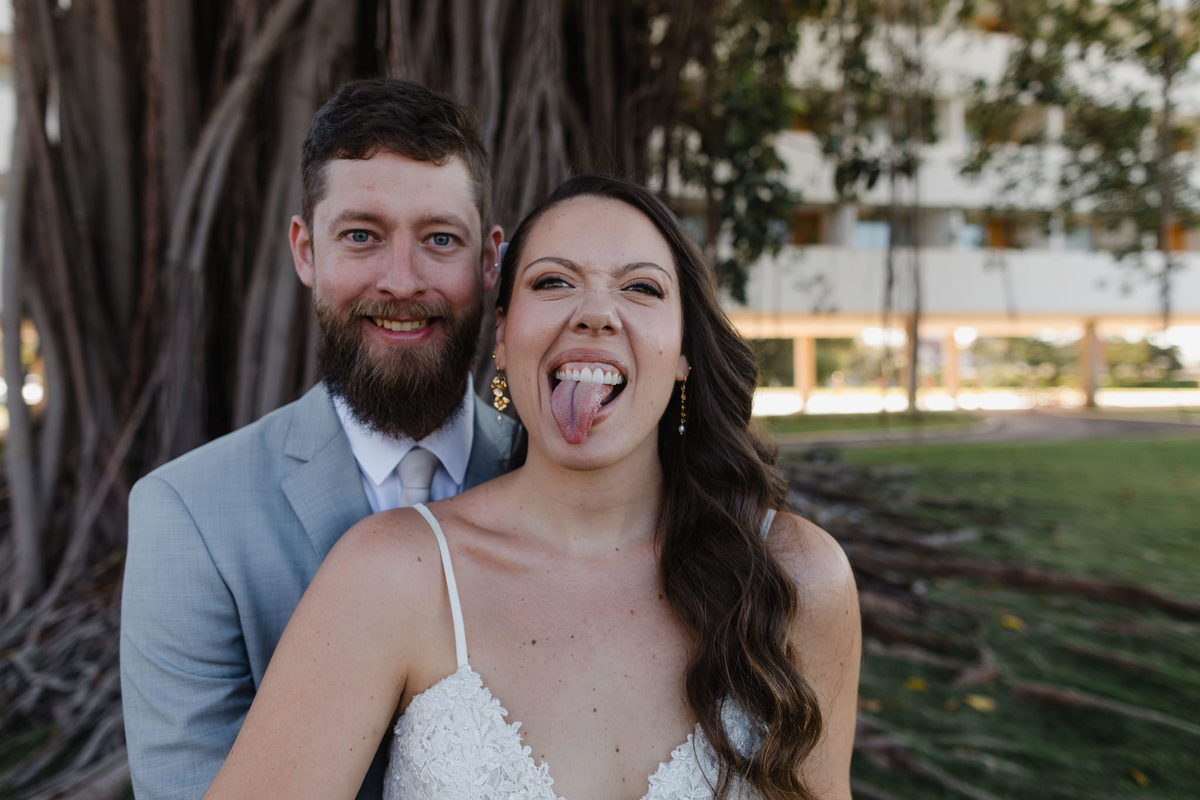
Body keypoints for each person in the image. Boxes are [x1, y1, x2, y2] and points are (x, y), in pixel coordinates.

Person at [203, 175, 861, 800]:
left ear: (685, 349)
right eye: (553, 282)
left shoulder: (797, 578)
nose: (596, 314)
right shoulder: (393, 574)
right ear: (502, 337)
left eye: (641, 289)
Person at [120, 78, 514, 800]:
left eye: (439, 240)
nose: (401, 281)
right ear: (305, 250)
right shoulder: (187, 517)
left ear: (490, 261)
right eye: (361, 236)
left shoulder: (550, 478)